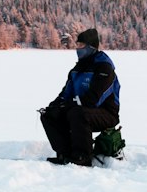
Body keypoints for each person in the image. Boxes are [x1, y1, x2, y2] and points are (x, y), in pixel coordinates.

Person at [39, 28, 120, 166]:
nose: (77, 49)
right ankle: (64, 153)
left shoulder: (104, 68)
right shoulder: (76, 70)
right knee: (49, 114)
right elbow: (65, 94)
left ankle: (83, 156)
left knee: (77, 113)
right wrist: (54, 106)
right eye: (77, 45)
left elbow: (94, 99)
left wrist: (71, 104)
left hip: (106, 113)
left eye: (81, 45)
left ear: (91, 47)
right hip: (80, 109)